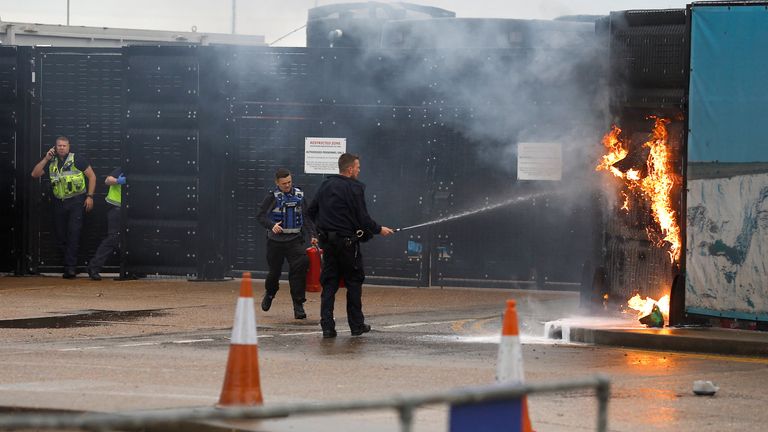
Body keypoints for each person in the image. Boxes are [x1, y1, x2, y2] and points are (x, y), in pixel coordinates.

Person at [306, 153, 394, 338]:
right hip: (348, 245)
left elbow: (311, 212)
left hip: (328, 245)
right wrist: (379, 229)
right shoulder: (354, 188)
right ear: (349, 169)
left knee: (329, 284)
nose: (359, 170)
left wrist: (321, 230)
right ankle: (356, 325)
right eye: (358, 167)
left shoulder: (325, 185)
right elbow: (363, 218)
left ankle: (327, 327)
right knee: (354, 283)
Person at [30, 136, 96, 278]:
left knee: (74, 234)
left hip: (76, 201)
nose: (61, 148)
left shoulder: (78, 159)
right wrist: (46, 159)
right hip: (58, 202)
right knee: (60, 235)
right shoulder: (51, 161)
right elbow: (35, 174)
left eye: (64, 145)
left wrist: (90, 196)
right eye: (59, 145)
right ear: (55, 147)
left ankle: (70, 268)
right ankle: (68, 264)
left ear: (69, 147)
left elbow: (92, 176)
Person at [256, 168, 317, 319]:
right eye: (284, 183)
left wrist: (313, 235)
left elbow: (306, 217)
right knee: (274, 272)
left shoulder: (299, 195)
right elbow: (260, 216)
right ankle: (270, 293)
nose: (287, 185)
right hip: (275, 242)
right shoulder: (272, 197)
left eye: (289, 182)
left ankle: (298, 305)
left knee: (299, 270)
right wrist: (272, 225)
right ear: (277, 183)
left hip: (294, 240)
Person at [87, 167, 125, 281]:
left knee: (132, 240)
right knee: (113, 238)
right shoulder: (122, 168)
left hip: (131, 211)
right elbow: (107, 180)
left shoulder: (142, 171)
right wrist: (118, 181)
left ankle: (131, 269)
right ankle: (93, 267)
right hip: (116, 208)